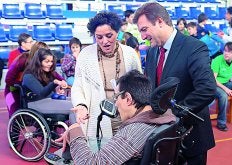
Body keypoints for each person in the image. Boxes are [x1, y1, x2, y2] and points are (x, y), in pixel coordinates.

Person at [133, 2, 216, 164]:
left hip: (190, 138)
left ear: (159, 21)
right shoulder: (152, 52)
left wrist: (175, 113)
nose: (142, 37)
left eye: (144, 29)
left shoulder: (194, 47)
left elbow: (207, 89)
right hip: (162, 141)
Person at [53, 70, 176, 164]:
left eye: (117, 97)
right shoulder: (165, 117)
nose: (115, 103)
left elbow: (89, 163)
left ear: (128, 99)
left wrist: (74, 129)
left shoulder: (131, 133)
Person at [71, 11, 142, 140]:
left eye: (109, 35)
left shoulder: (130, 54)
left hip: (127, 117)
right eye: (99, 37)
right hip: (97, 116)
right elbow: (78, 85)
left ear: (117, 32)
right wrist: (81, 106)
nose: (105, 41)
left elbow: (140, 87)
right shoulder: (85, 55)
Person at [22, 48, 75, 122]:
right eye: (47, 61)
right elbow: (42, 93)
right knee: (75, 107)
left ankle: (75, 131)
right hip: (36, 103)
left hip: (48, 100)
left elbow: (49, 91)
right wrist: (54, 83)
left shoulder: (47, 73)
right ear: (39, 62)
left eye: (51, 61)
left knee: (77, 102)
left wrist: (57, 91)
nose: (50, 64)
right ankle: (76, 132)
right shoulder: (28, 76)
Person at [5, 41, 49, 118]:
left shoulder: (42, 63)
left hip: (26, 91)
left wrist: (63, 82)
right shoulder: (22, 59)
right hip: (12, 90)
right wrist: (21, 84)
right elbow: (8, 79)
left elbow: (54, 74)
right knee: (15, 116)